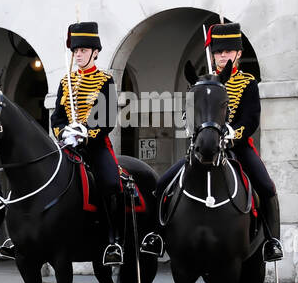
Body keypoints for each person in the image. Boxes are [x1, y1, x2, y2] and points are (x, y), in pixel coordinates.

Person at [142, 22, 282, 262]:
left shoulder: (247, 82)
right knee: (163, 184)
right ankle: (157, 235)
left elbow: (251, 118)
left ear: (238, 53)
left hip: (237, 148)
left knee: (266, 187)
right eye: (218, 51)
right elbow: (186, 116)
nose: (222, 56)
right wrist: (194, 127)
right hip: (202, 149)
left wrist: (232, 132)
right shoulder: (201, 84)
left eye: (228, 51)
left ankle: (271, 241)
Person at [50, 21, 124, 267]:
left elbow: (108, 118)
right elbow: (57, 116)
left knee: (112, 182)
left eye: (82, 50)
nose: (78, 54)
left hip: (95, 145)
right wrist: (63, 133)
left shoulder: (105, 81)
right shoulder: (66, 81)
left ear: (95, 52)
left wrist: (86, 132)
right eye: (75, 51)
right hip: (68, 145)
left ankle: (113, 239)